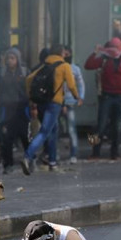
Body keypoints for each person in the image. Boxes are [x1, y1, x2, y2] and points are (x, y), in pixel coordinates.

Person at [22, 44, 82, 175]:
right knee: (44, 131)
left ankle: (52, 162)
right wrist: (78, 97)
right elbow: (71, 85)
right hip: (54, 104)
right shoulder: (64, 66)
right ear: (61, 53)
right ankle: (28, 156)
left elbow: (28, 79)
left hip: (42, 103)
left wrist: (31, 97)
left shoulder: (45, 65)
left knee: (53, 131)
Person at [84, 37, 121, 161]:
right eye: (112, 48)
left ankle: (115, 153)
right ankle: (95, 153)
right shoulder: (104, 59)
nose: (114, 51)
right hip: (106, 96)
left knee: (117, 127)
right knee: (100, 126)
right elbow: (88, 65)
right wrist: (95, 52)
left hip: (120, 97)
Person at [0, 47, 29, 173]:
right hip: (7, 108)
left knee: (25, 136)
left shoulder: (24, 72)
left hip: (21, 108)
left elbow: (29, 90)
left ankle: (29, 160)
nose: (10, 61)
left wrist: (32, 107)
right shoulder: (2, 73)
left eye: (13, 58)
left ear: (18, 59)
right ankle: (8, 164)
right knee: (7, 138)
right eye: (8, 58)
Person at [61, 45, 85, 164]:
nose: (66, 56)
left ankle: (73, 154)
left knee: (71, 129)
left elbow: (81, 84)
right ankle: (53, 155)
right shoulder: (58, 68)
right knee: (55, 130)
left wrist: (81, 97)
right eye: (64, 54)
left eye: (68, 54)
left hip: (70, 102)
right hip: (59, 103)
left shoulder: (75, 69)